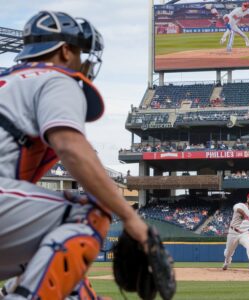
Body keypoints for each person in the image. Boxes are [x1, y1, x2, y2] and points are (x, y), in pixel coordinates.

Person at [0, 11, 149, 299]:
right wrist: (130, 217)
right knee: (90, 211)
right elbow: (70, 146)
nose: (84, 60)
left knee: (56, 263)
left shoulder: (10, 82)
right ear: (66, 50)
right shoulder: (55, 77)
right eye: (81, 51)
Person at [222, 192, 249, 274]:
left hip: (244, 233)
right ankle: (227, 261)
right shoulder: (241, 205)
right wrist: (244, 214)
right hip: (233, 232)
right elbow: (236, 209)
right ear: (247, 199)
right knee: (228, 253)